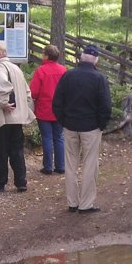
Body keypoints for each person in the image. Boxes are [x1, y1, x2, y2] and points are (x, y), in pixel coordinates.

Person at [52, 45, 112, 213]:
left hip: (70, 126)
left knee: (70, 164)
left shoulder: (68, 75)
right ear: (96, 60)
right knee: (90, 165)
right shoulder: (99, 78)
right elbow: (106, 106)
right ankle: (86, 204)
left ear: (81, 57)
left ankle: (72, 202)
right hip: (91, 127)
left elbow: (57, 102)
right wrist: (101, 125)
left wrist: (63, 121)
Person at [0, 43, 35, 193]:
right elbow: (27, 93)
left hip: (2, 118)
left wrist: (4, 103)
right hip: (16, 118)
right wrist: (24, 110)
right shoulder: (16, 68)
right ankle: (21, 182)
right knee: (16, 151)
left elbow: (2, 86)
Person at [29, 45, 67, 174]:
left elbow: (34, 91)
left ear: (46, 56)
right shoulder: (63, 70)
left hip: (44, 109)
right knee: (59, 137)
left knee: (47, 137)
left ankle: (48, 167)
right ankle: (61, 166)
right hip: (60, 110)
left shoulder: (41, 71)